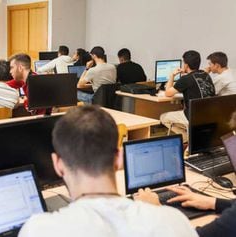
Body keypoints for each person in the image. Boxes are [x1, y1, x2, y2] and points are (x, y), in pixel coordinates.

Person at [19, 106, 197, 237]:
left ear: (57, 164)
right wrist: (156, 213)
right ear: (119, 158)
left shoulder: (38, 230)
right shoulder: (174, 222)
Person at [160, 50, 215, 138]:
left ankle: (186, 138)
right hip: (208, 116)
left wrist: (172, 75)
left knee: (163, 117)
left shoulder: (186, 79)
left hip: (193, 117)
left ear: (186, 65)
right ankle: (189, 139)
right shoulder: (206, 75)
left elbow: (168, 93)